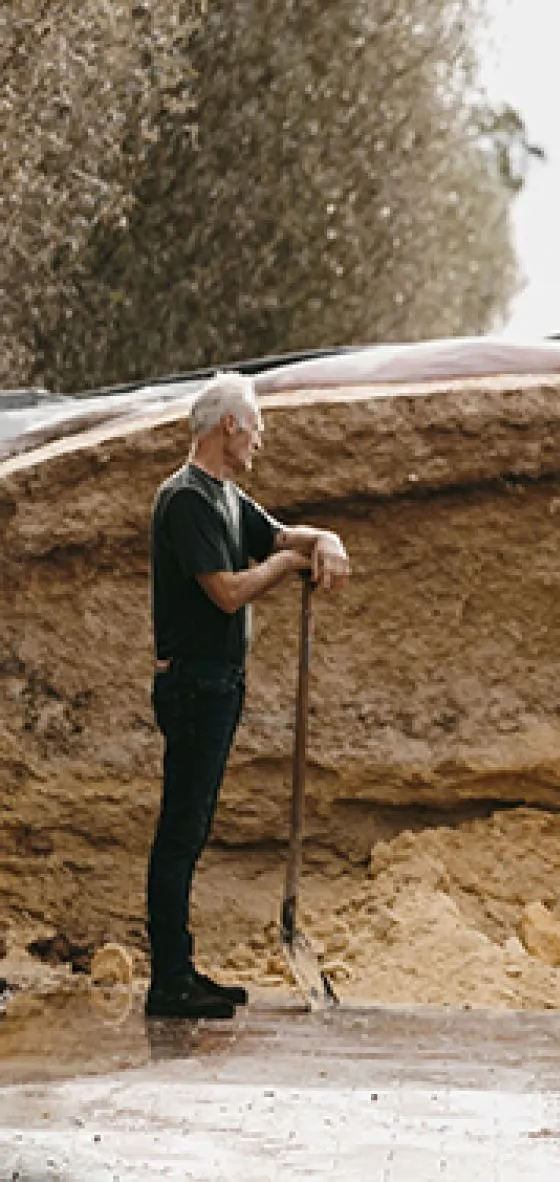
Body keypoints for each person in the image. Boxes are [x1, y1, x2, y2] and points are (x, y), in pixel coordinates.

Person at [145, 373, 350, 1019]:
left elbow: (285, 534)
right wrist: (290, 565)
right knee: (180, 833)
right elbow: (227, 591)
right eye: (256, 425)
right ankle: (168, 981)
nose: (261, 438)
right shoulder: (185, 500)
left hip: (219, 683)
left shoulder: (230, 499)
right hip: (193, 684)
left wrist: (324, 539)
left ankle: (181, 971)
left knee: (193, 826)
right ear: (229, 424)